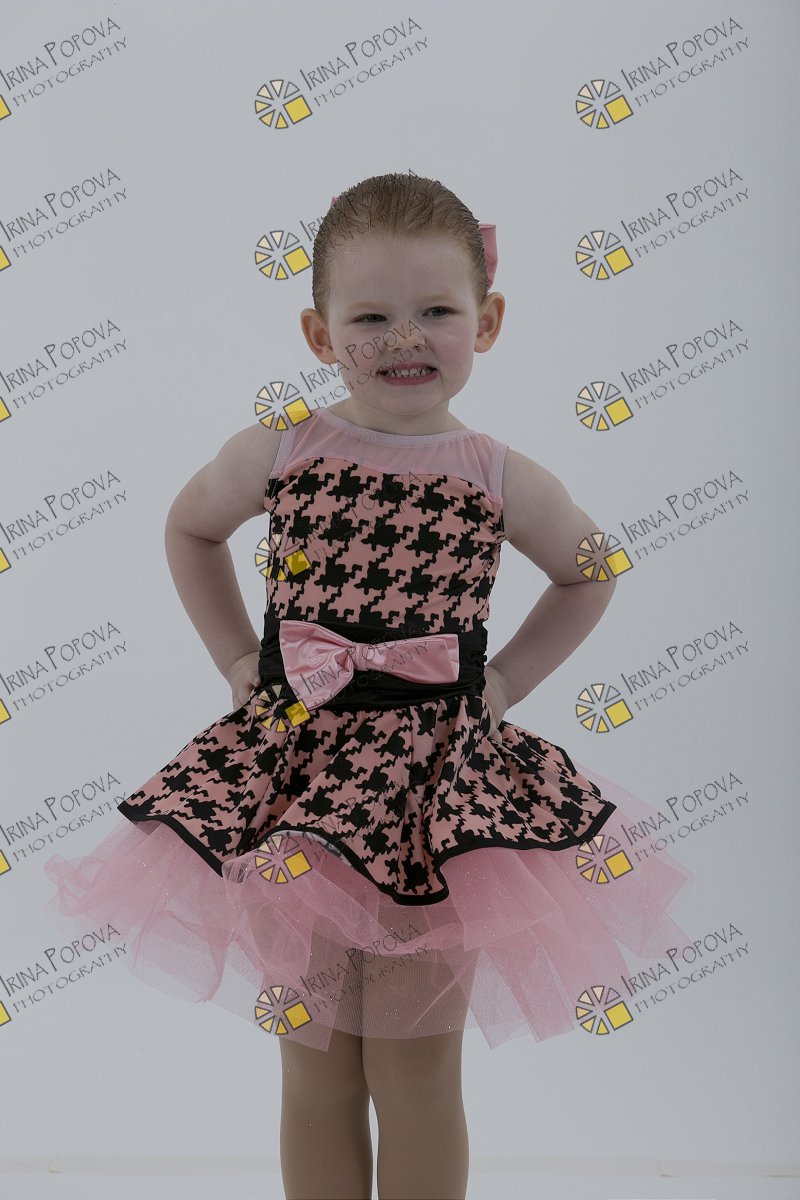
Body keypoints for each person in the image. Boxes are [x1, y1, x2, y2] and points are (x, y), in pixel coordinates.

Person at [43, 172, 693, 1200]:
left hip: (432, 795)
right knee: (313, 1068)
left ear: (487, 322)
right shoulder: (282, 448)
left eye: (436, 311)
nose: (404, 339)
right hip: (290, 785)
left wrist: (504, 682)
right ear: (318, 333)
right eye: (370, 318)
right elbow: (189, 527)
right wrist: (237, 659)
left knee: (414, 1073)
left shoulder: (494, 473)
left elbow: (591, 568)